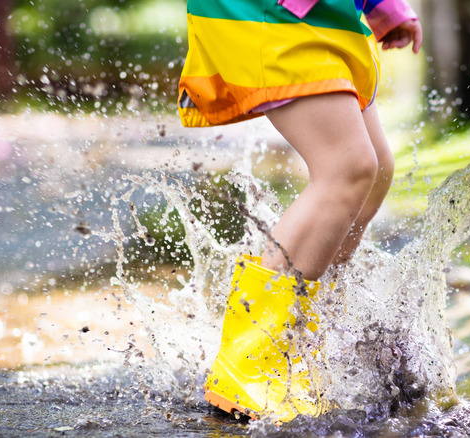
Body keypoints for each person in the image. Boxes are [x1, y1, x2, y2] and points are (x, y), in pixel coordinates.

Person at [177, 0, 422, 422]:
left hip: (327, 14)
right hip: (278, 12)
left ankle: (305, 341)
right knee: (346, 167)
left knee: (375, 169)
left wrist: (384, 7)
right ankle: (249, 363)